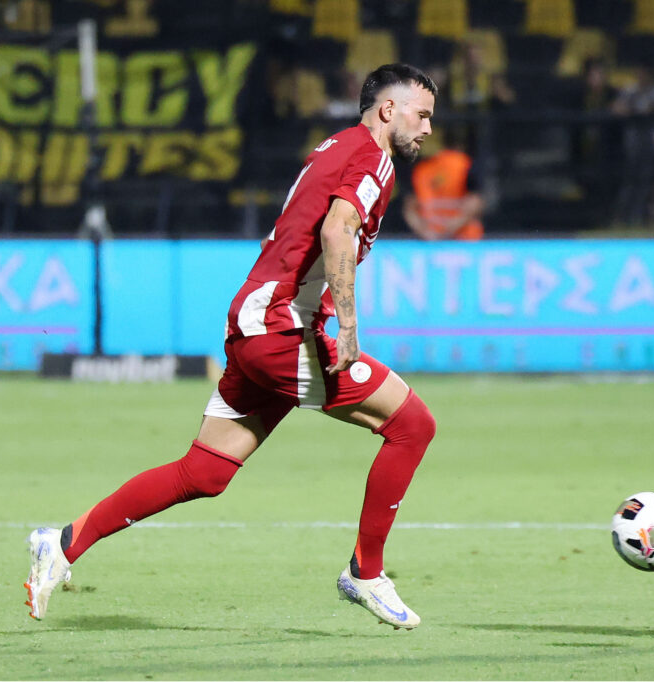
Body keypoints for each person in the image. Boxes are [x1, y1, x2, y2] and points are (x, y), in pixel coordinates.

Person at [24, 64, 439, 631]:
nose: (428, 129)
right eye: (422, 115)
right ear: (389, 110)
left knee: (204, 472)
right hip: (281, 329)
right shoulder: (372, 157)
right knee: (412, 425)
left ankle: (63, 542)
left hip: (257, 321)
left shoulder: (337, 146)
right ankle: (366, 573)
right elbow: (336, 230)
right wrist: (348, 324)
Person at [402, 126, 484, 241]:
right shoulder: (420, 170)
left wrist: (431, 233)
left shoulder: (463, 164)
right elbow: (410, 207)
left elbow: (474, 204)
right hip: (445, 241)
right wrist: (433, 233)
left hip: (461, 241)